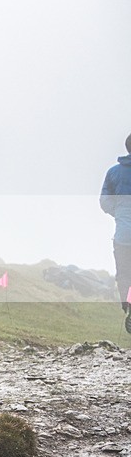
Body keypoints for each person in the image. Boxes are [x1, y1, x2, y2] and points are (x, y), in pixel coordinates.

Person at [100, 133, 131, 333]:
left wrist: (120, 214)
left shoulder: (114, 173)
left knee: (125, 274)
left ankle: (128, 306)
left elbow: (104, 202)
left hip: (123, 236)